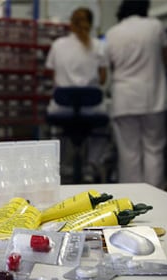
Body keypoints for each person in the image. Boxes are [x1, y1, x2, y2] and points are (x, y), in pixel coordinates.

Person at [105, 0, 167, 187]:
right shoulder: (155, 26)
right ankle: (156, 193)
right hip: (153, 97)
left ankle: (133, 196)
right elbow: (166, 57)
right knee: (154, 149)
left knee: (128, 152)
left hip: (124, 99)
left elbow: (110, 65)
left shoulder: (112, 33)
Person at [45, 7, 109, 181]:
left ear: (70, 24)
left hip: (61, 109)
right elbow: (103, 79)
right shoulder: (99, 46)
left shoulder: (57, 46)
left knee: (58, 132)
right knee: (102, 127)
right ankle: (92, 164)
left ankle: (62, 166)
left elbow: (53, 77)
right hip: (92, 109)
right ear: (91, 23)